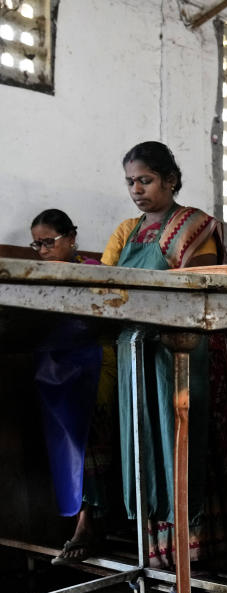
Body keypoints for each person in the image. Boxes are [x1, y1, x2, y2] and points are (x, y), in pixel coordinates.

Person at [101, 141, 227, 568]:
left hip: (187, 351)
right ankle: (159, 557)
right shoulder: (129, 230)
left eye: (145, 180)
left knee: (189, 442)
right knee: (149, 443)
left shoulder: (194, 225)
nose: (137, 189)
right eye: (130, 182)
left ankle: (203, 553)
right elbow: (108, 286)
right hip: (140, 354)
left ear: (170, 180)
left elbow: (202, 288)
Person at [29, 210, 119, 564]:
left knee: (92, 439)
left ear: (71, 238)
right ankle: (87, 521)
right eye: (36, 244)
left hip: (95, 363)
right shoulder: (37, 278)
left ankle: (89, 524)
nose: (42, 250)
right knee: (67, 444)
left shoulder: (94, 271)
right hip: (56, 371)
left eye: (48, 242)